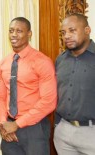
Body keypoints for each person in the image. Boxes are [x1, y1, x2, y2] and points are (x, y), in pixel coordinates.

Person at [0, 17, 57, 155]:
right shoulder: (3, 63)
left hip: (34, 128)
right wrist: (3, 124)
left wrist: (17, 125)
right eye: (11, 31)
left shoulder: (42, 62)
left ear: (29, 34)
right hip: (8, 127)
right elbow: (0, 97)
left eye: (19, 31)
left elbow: (49, 102)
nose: (13, 34)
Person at [54, 13, 95, 155]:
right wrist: (57, 125)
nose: (66, 36)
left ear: (87, 30)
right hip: (63, 133)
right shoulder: (60, 60)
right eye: (63, 32)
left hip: (91, 134)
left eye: (72, 30)